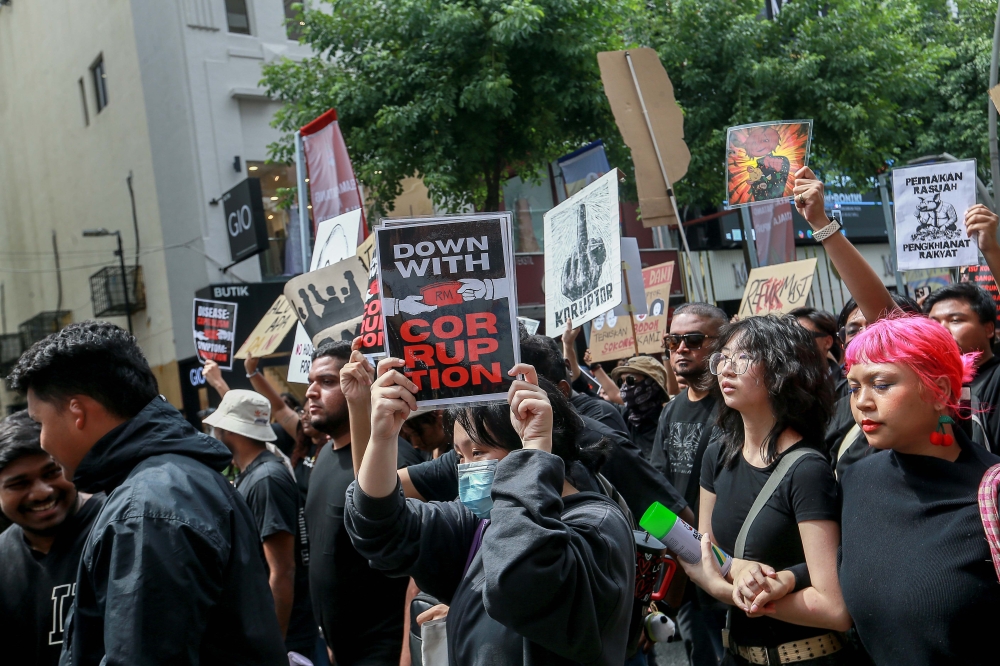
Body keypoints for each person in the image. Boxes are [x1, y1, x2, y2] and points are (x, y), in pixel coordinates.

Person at [7, 321, 286, 664]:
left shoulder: (147, 508)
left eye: (41, 423)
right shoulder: (167, 484)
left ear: (77, 412)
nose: (42, 441)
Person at [744, 316, 1000, 665]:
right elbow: (858, 560)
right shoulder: (857, 478)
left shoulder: (991, 493)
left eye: (880, 384)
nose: (862, 401)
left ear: (939, 390)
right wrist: (788, 577)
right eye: (853, 387)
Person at [345, 359, 635, 665]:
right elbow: (382, 527)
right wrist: (382, 438)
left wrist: (535, 449)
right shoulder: (481, 522)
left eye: (479, 452)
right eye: (460, 456)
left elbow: (520, 583)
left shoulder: (597, 525)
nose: (468, 469)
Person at [681, 316, 851, 665]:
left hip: (804, 656)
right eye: (723, 357)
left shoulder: (806, 469)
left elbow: (834, 608)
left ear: (781, 370)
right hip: (737, 655)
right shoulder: (718, 452)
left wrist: (723, 590)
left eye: (742, 357)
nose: (726, 368)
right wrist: (736, 570)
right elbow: (705, 550)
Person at [303, 340, 421, 665]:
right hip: (340, 649)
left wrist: (407, 652)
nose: (312, 391)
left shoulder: (394, 460)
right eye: (311, 381)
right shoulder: (323, 455)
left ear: (360, 382)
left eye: (327, 381)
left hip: (386, 650)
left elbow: (417, 564)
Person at [203, 389, 318, 658]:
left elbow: (282, 571)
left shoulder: (267, 479)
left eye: (219, 428)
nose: (216, 434)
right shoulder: (252, 474)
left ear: (231, 431)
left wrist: (272, 648)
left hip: (286, 638)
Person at [650, 302, 729, 666]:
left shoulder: (735, 408)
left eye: (693, 339)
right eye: (672, 340)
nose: (681, 348)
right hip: (682, 554)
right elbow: (660, 481)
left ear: (721, 343)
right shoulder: (672, 409)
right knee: (699, 654)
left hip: (727, 557)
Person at [0, 411, 106, 665]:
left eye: (50, 473)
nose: (41, 493)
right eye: (19, 484)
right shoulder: (3, 558)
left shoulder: (117, 529)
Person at [924, 282, 1000, 451]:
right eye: (934, 323)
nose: (942, 330)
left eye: (955, 320)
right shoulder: (928, 381)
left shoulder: (996, 377)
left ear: (989, 329)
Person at [610, 356, 671, 460]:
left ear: (652, 384)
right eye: (621, 382)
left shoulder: (668, 423)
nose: (624, 386)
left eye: (630, 380)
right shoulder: (622, 417)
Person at [788, 307, 842, 394]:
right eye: (791, 337)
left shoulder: (847, 386)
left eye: (803, 336)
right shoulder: (782, 389)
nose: (795, 343)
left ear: (827, 342)